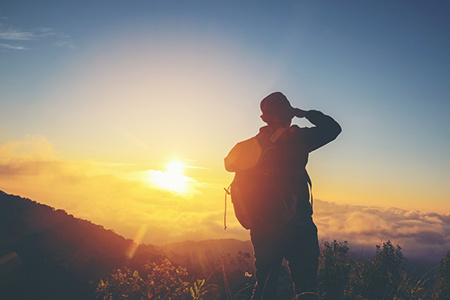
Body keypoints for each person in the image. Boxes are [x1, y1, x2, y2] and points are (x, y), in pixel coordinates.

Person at [224, 92, 341, 299]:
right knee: (306, 288)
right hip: (299, 227)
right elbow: (333, 129)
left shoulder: (248, 147)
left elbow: (228, 164)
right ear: (289, 114)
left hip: (263, 229)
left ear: (264, 119)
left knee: (264, 288)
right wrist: (303, 113)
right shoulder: (298, 139)